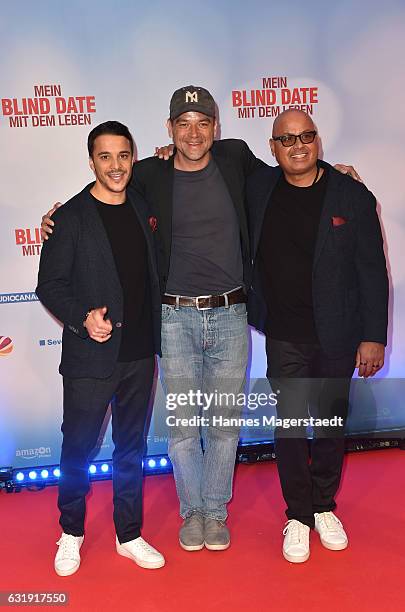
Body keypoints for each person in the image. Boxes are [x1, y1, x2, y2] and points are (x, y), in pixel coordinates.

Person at [41, 86, 359, 554]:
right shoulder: (148, 173)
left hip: (232, 314)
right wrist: (58, 219)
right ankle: (193, 512)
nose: (193, 133)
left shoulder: (237, 161)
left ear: (216, 128)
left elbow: (293, 170)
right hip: (174, 317)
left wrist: (340, 178)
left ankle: (216, 510)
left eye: (202, 122)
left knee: (225, 423)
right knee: (186, 424)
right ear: (169, 129)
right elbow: (101, 191)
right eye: (183, 123)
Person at [247, 109, 388, 563]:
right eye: (287, 139)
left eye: (306, 135)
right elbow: (203, 166)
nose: (298, 145)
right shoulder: (259, 188)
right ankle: (297, 515)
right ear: (273, 148)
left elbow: (372, 271)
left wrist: (373, 336)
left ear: (319, 140)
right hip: (284, 335)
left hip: (339, 334)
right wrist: (164, 155)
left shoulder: (352, 195)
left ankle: (324, 506)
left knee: (329, 426)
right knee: (289, 428)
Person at [36, 121, 165, 575]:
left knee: (131, 447)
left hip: (140, 353)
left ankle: (128, 533)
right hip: (90, 357)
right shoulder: (69, 218)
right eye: (105, 157)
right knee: (79, 448)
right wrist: (82, 317)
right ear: (91, 160)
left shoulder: (143, 206)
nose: (115, 166)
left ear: (133, 158)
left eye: (123, 156)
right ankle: (70, 531)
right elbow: (48, 285)